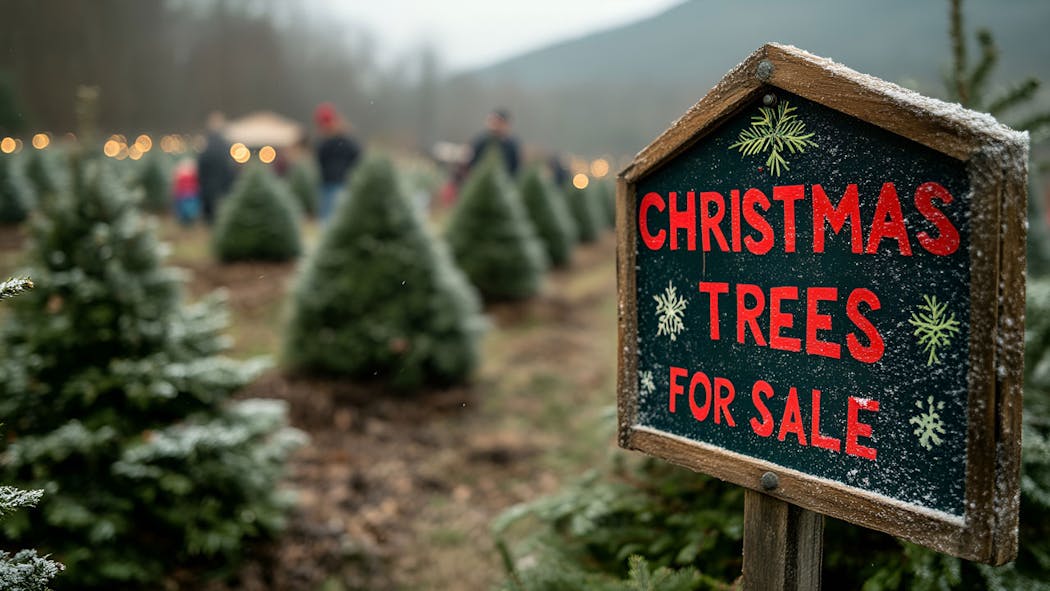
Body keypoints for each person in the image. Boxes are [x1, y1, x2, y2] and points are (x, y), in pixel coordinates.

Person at [314, 102, 362, 220]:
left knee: (340, 217)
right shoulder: (323, 143)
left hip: (344, 184)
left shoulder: (346, 142)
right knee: (327, 219)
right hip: (327, 185)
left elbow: (357, 159)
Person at [197, 111, 235, 224]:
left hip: (208, 188)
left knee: (210, 219)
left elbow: (200, 167)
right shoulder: (226, 146)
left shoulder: (205, 145)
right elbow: (231, 168)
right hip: (223, 188)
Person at [466, 108, 520, 177]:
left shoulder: (511, 144)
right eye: (491, 121)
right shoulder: (481, 141)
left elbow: (515, 167)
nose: (494, 125)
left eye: (498, 122)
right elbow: (471, 162)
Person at [171, 158, 200, 225]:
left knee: (184, 210)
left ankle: (185, 221)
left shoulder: (180, 175)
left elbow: (176, 188)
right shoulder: (192, 175)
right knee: (189, 209)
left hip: (184, 197)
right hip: (189, 196)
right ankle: (188, 220)